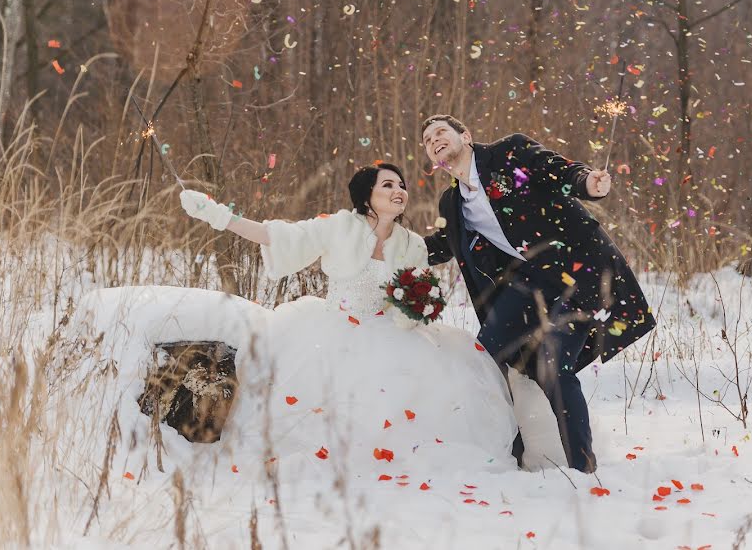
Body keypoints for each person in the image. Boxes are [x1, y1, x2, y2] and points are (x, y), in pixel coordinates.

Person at [178, 164, 518, 474]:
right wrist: (218, 215)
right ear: (367, 195)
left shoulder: (411, 243)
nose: (399, 190)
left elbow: (414, 297)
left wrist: (418, 306)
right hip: (332, 331)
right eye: (388, 184)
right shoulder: (340, 226)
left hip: (390, 337)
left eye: (402, 184)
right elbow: (277, 235)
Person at [421, 114, 657, 474]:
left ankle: (582, 466)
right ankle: (511, 454)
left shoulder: (509, 154)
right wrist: (389, 246)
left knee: (554, 369)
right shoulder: (449, 203)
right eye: (427, 139)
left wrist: (588, 183)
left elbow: (558, 172)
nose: (434, 140)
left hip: (572, 274)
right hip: (524, 286)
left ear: (465, 136)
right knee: (485, 358)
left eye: (441, 132)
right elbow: (442, 245)